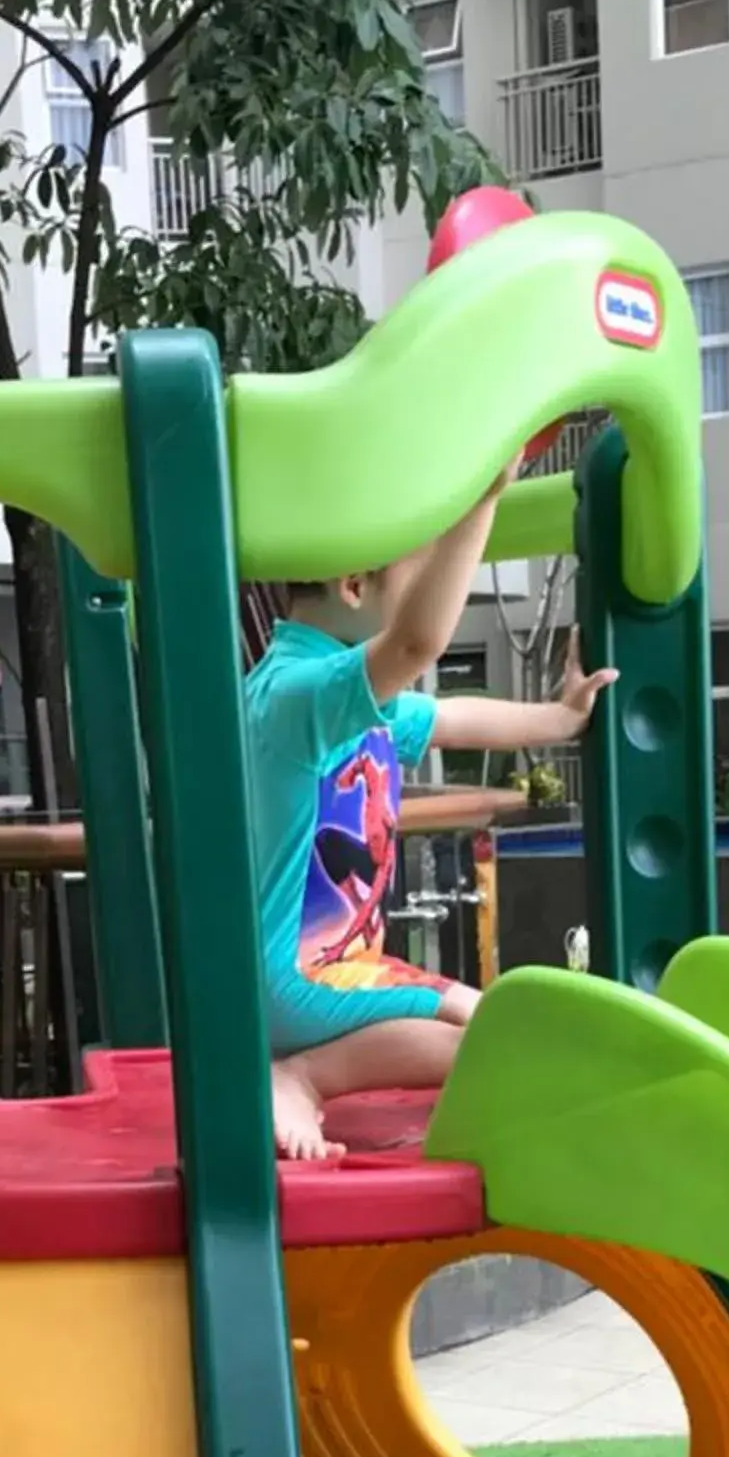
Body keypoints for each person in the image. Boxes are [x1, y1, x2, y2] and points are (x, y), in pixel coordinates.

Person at [246, 467, 616, 1160]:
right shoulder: (297, 694)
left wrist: (561, 718)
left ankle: (302, 1070)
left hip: (332, 975)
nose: (430, 598)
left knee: (488, 1039)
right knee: (506, 1030)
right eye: (419, 577)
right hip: (295, 978)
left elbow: (452, 717)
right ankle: (298, 1075)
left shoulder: (344, 696)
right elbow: (418, 645)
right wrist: (484, 499)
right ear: (355, 585)